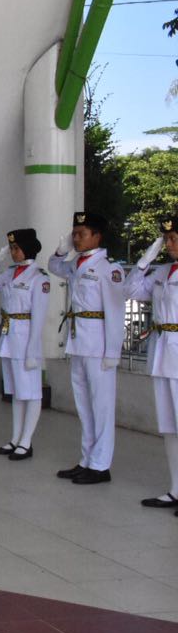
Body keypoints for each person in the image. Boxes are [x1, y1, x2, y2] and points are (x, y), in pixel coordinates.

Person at [49, 211, 127, 485]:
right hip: (79, 341)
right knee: (84, 405)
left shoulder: (109, 269)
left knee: (102, 406)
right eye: (75, 233)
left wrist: (112, 352)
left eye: (82, 234)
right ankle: (87, 459)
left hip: (99, 345)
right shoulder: (75, 264)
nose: (77, 238)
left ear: (97, 236)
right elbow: (54, 267)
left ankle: (101, 465)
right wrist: (61, 250)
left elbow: (116, 314)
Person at [0, 229, 50, 460]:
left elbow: (39, 317)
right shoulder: (9, 273)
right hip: (8, 337)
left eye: (16, 248)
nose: (12, 252)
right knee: (16, 392)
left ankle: (27, 441)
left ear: (27, 248)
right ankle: (15, 438)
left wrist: (33, 350)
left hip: (26, 339)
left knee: (31, 392)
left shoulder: (38, 277)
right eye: (10, 248)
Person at [127, 218, 178, 510]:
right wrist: (147, 257)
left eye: (173, 238)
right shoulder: (162, 271)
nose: (169, 244)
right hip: (162, 352)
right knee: (170, 426)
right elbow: (132, 290)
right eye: (166, 239)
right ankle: (175, 488)